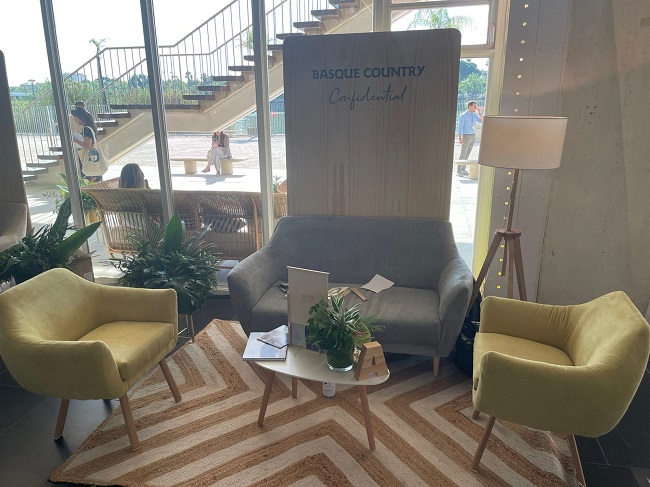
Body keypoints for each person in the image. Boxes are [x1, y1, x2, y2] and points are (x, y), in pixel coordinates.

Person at [71, 106, 104, 182]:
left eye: (76, 119)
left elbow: (87, 145)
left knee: (89, 181)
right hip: (94, 161)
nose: (75, 121)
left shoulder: (86, 129)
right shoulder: (91, 127)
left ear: (81, 118)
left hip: (88, 160)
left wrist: (75, 140)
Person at [457, 100, 483, 176]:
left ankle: (463, 169)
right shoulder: (463, 115)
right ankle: (459, 171)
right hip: (466, 135)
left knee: (468, 153)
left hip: (473, 135)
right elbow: (460, 127)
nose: (476, 107)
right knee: (463, 153)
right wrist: (460, 138)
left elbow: (482, 121)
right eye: (475, 106)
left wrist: (479, 112)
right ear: (470, 106)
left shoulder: (474, 114)